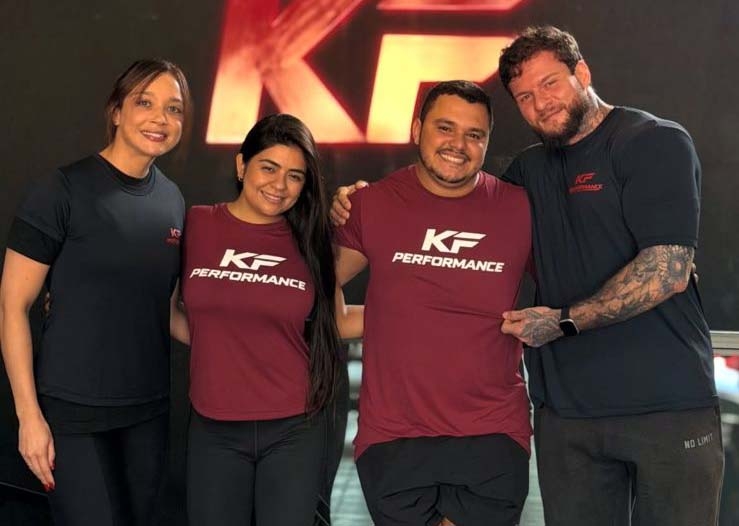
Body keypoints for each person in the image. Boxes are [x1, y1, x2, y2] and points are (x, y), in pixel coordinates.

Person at [495, 26, 723, 525]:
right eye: (525, 97)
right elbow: (452, 214)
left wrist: (564, 320)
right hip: (567, 417)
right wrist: (359, 200)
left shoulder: (653, 141)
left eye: (550, 83)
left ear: (582, 72)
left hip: (667, 406)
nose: (541, 104)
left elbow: (667, 271)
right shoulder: (527, 171)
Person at [0, 59, 192, 525]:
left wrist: (245, 344)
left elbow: (166, 309)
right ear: (117, 112)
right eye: (145, 103)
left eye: (173, 109)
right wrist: (29, 416)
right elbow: (12, 307)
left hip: (147, 411)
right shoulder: (60, 191)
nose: (160, 119)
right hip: (72, 414)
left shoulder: (173, 200)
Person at [333, 81, 532, 526]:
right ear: (416, 128)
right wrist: (380, 320)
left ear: (487, 142)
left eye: (474, 134)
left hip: (492, 433)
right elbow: (309, 288)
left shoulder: (520, 209)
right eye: (445, 128)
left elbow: (575, 278)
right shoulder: (370, 204)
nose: (458, 144)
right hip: (393, 436)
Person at [181, 113, 362, 526]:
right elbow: (172, 311)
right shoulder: (197, 224)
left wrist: (429, 318)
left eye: (295, 176)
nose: (280, 185)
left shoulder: (313, 242)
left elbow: (339, 320)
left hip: (294, 428)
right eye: (269, 167)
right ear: (241, 165)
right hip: (213, 425)